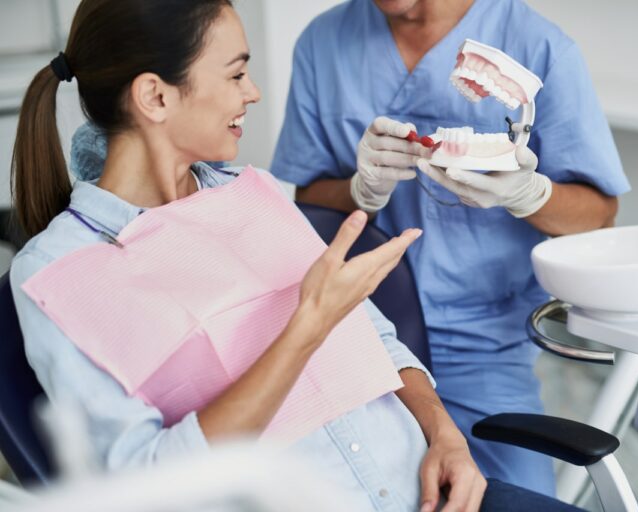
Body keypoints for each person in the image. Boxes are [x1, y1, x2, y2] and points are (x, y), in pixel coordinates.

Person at [9, 1, 582, 511]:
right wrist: (306, 327)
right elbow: (147, 483)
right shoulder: (60, 273)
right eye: (236, 73)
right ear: (156, 96)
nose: (252, 92)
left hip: (430, 487)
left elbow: (377, 341)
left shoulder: (252, 192)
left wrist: (444, 435)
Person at [270, 0, 631, 496]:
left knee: (518, 496)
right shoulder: (324, 42)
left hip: (482, 345)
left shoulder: (538, 46)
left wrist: (530, 195)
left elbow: (599, 214)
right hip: (358, 334)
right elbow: (309, 200)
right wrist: (360, 190)